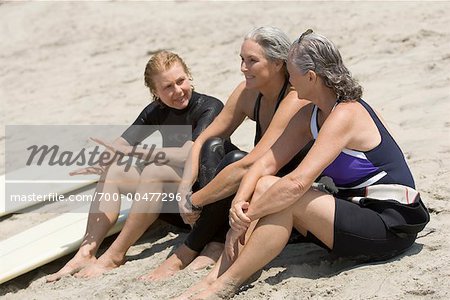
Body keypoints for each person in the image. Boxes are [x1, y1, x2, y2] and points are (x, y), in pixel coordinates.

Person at [187, 29, 430, 299]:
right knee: (267, 185)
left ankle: (225, 284)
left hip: (389, 224)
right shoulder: (309, 115)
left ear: (311, 77)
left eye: (291, 73)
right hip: (352, 211)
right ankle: (216, 277)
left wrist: (245, 219)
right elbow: (264, 163)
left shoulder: (346, 114)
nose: (289, 80)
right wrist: (238, 205)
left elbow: (297, 183)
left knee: (287, 196)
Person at [141, 26, 313, 281]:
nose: (243, 68)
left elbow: (252, 164)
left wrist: (194, 200)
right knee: (213, 146)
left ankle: (189, 249)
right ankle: (214, 239)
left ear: (278, 63)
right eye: (242, 60)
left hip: (283, 196)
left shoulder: (295, 98)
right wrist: (184, 187)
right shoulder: (248, 92)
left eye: (252, 61)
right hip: (256, 185)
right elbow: (203, 140)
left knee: (236, 160)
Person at [46, 50, 225, 281]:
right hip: (171, 203)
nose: (177, 91)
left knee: (153, 169)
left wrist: (134, 151)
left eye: (180, 81)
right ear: (155, 92)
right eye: (167, 87)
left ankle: (115, 255)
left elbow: (188, 154)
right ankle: (87, 252)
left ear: (189, 76)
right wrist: (102, 162)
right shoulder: (155, 111)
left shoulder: (209, 107)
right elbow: (119, 145)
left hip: (202, 202)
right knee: (115, 170)